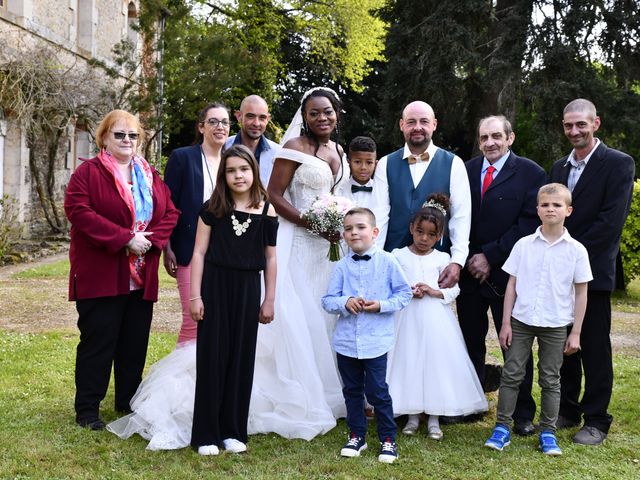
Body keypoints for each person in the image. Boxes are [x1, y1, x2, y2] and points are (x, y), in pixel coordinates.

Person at [64, 109, 178, 430]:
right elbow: (78, 211)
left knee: (133, 343)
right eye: (119, 135)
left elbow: (170, 212)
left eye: (133, 135)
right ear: (104, 138)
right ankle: (87, 409)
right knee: (98, 343)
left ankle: (127, 401)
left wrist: (150, 241)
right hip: (102, 273)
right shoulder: (88, 173)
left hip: (142, 277)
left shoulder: (149, 174)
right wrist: (125, 239)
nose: (127, 140)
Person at [250, 86, 350, 439]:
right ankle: (301, 392)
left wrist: (338, 225)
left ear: (336, 113)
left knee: (327, 315)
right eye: (314, 113)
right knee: (301, 313)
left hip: (330, 248)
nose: (322, 118)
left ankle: (330, 391)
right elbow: (273, 194)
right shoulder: (294, 148)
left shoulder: (338, 150)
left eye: (328, 112)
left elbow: (338, 195)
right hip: (299, 241)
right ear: (304, 117)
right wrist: (313, 224)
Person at [550, 99, 635, 445]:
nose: (574, 131)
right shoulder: (558, 168)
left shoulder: (618, 164)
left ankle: (597, 419)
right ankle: (568, 410)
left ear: (595, 123)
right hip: (558, 274)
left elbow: (609, 224)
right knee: (563, 345)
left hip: (594, 274)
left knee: (594, 346)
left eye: (581, 124)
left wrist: (568, 257)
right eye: (569, 126)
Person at [484, 183, 592, 455]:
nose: (550, 209)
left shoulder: (576, 250)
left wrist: (576, 332)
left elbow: (581, 294)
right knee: (512, 375)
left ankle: (547, 431)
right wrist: (506, 322)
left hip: (556, 324)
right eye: (545, 204)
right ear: (537, 209)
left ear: (568, 210)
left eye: (556, 205)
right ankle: (502, 428)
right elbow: (511, 285)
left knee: (550, 378)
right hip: (521, 320)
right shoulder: (523, 245)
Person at [456, 115, 546, 433]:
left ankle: (522, 413)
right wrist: (468, 258)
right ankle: (469, 404)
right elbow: (456, 218)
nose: (490, 143)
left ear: (510, 138)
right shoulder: (464, 171)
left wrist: (490, 256)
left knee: (515, 345)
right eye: (484, 137)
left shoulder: (531, 173)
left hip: (508, 275)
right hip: (469, 274)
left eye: (497, 136)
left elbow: (528, 223)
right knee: (469, 341)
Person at [189, 145, 278, 455]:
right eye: (231, 170)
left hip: (247, 289)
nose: (238, 175)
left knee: (241, 358)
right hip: (214, 287)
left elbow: (270, 258)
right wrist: (195, 295)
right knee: (213, 358)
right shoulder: (212, 209)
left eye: (244, 169)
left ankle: (232, 430)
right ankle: (206, 434)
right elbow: (198, 253)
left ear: (254, 171)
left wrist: (269, 299)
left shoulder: (267, 209)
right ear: (222, 175)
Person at [388, 194, 488, 441]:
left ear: (440, 236)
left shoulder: (443, 259)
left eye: (431, 235)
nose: (424, 238)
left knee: (435, 364)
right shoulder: (397, 255)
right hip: (406, 318)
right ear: (411, 228)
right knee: (408, 360)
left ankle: (434, 418)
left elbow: (454, 289)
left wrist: (434, 291)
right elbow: (389, 283)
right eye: (420, 231)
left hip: (435, 319)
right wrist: (408, 290)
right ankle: (411, 415)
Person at [322, 207, 412, 464]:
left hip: (375, 341)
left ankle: (387, 439)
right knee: (351, 391)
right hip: (346, 341)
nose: (354, 232)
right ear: (343, 235)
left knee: (377, 391)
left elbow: (404, 295)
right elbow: (327, 301)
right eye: (348, 229)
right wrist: (345, 301)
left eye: (360, 227)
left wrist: (381, 305)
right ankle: (356, 435)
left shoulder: (388, 261)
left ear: (374, 232)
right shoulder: (340, 267)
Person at [377, 101, 471, 289]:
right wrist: (376, 257)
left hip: (433, 263)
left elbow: (461, 216)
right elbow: (379, 215)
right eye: (411, 122)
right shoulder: (386, 163)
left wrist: (457, 261)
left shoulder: (454, 163)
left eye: (424, 121)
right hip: (393, 259)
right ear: (402, 125)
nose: (417, 127)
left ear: (434, 124)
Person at [163, 103, 230, 344]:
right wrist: (167, 246)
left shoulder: (233, 160)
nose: (219, 126)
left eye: (225, 122)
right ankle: (184, 380)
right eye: (213, 121)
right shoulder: (183, 158)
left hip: (226, 253)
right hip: (189, 249)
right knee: (193, 320)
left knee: (219, 320)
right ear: (201, 127)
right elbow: (167, 205)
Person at [335, 136, 390, 247]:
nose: (363, 167)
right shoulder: (339, 189)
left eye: (369, 163)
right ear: (348, 162)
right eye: (358, 162)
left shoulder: (381, 190)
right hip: (343, 248)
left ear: (376, 163)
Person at [225, 95, 279, 184]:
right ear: (239, 116)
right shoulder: (223, 148)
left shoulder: (278, 153)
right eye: (250, 116)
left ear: (268, 119)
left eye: (262, 118)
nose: (256, 123)